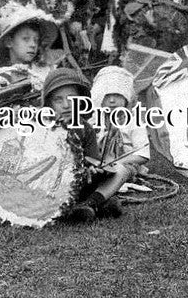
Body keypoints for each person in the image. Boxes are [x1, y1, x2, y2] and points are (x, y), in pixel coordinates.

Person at [42, 69, 128, 223]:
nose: (66, 105)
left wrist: (93, 168)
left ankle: (91, 203)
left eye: (72, 99)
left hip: (81, 184)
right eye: (58, 100)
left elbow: (92, 160)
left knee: (121, 170)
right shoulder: (43, 128)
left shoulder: (86, 128)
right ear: (49, 104)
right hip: (52, 186)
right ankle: (95, 205)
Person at [90, 66, 150, 177]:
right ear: (100, 99)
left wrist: (115, 163)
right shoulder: (95, 120)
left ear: (126, 98)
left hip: (124, 164)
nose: (112, 101)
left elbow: (143, 155)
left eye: (117, 95)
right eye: (107, 96)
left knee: (121, 172)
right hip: (99, 164)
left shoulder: (134, 122)